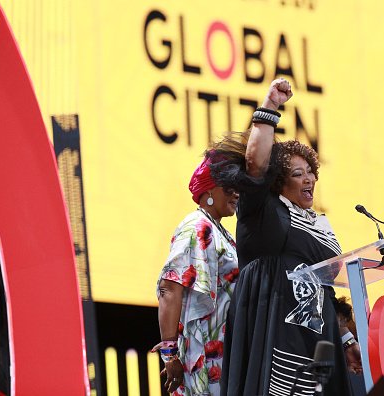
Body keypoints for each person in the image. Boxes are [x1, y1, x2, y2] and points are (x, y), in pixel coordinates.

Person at [208, 78, 362, 395]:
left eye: (310, 171)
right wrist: (270, 106)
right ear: (279, 182)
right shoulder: (262, 208)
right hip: (272, 324)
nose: (308, 178)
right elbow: (255, 162)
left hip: (318, 338)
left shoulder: (322, 224)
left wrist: (346, 338)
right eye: (297, 173)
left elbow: (328, 291)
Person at [152, 151, 240, 395]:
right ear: (210, 190)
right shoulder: (196, 226)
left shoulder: (219, 230)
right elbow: (170, 287)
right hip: (202, 352)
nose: (237, 193)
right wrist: (170, 355)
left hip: (221, 350)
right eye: (230, 187)